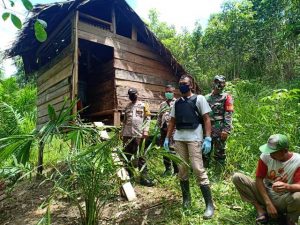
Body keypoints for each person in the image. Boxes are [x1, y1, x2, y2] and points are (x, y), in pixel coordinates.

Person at [164, 74, 215, 219]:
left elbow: (206, 119)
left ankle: (209, 205)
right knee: (182, 170)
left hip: (194, 138)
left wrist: (208, 138)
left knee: (198, 169)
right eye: (180, 83)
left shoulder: (199, 99)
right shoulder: (177, 103)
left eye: (185, 83)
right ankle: (186, 200)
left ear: (191, 85)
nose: (182, 85)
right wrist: (167, 138)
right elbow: (172, 122)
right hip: (179, 139)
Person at [232, 134, 300, 225]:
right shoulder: (266, 156)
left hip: (283, 198)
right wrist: (268, 203)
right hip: (265, 193)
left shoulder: (297, 162)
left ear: (285, 150)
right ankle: (260, 210)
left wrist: (287, 186)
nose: (270, 154)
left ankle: (290, 219)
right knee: (237, 177)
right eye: (269, 151)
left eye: (274, 152)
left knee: (298, 196)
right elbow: (259, 179)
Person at [122, 88, 154, 187]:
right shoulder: (127, 106)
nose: (132, 95)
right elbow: (124, 121)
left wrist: (146, 130)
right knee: (127, 156)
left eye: (133, 94)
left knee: (141, 156)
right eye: (130, 94)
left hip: (139, 134)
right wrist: (121, 132)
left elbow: (147, 119)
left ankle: (144, 178)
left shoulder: (144, 105)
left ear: (137, 94)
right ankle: (129, 177)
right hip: (127, 134)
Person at [204, 75, 234, 167]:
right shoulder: (206, 98)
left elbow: (228, 114)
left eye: (222, 82)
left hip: (220, 129)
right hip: (207, 129)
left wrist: (226, 130)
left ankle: (218, 173)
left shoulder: (227, 97)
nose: (220, 84)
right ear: (214, 82)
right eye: (218, 82)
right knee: (205, 151)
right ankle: (205, 171)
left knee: (220, 152)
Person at [157, 85, 179, 176]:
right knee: (164, 150)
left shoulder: (177, 102)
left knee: (173, 150)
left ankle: (176, 171)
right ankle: (167, 169)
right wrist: (159, 126)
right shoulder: (162, 104)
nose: (168, 93)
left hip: (174, 130)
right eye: (166, 92)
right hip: (163, 130)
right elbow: (159, 116)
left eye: (170, 91)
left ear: (173, 92)